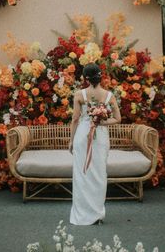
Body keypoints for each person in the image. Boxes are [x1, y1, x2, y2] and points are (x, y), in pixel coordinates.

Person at [69, 63, 121, 225]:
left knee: (82, 175)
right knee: (99, 174)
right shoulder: (108, 95)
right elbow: (118, 119)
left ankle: (82, 215)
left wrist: (71, 140)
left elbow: (75, 119)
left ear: (85, 78)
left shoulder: (79, 95)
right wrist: (101, 123)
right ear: (100, 77)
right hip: (101, 139)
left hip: (82, 136)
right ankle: (97, 214)